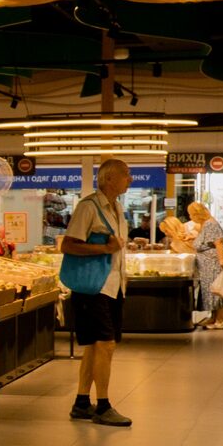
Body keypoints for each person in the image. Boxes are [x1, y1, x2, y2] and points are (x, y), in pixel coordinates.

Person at [61, 157, 132, 426]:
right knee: (105, 344)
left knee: (94, 345)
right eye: (126, 174)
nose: (130, 179)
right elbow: (68, 245)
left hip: (113, 286)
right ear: (109, 179)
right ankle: (102, 406)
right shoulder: (88, 207)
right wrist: (104, 248)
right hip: (94, 286)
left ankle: (81, 403)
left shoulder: (117, 208)